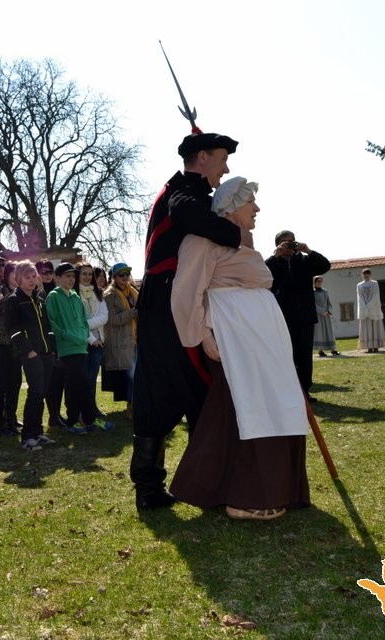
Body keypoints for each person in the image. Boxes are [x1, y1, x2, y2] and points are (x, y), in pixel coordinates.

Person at [168, 177, 309, 520]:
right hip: (233, 336)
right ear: (231, 207)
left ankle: (271, 489)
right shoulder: (202, 239)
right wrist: (204, 335)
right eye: (250, 202)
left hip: (260, 340)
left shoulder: (243, 241)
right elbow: (186, 291)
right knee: (246, 410)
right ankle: (246, 498)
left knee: (265, 407)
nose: (257, 208)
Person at [131, 131, 243, 510]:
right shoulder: (183, 193)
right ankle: (202, 484)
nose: (225, 168)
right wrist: (234, 232)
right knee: (198, 384)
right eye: (222, 158)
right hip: (171, 301)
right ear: (203, 157)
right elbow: (187, 214)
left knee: (162, 391)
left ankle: (154, 488)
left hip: (163, 300)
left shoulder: (183, 190)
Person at [45, 262, 115, 434]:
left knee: (77, 384)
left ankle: (79, 420)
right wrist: (69, 336)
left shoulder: (76, 297)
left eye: (72, 276)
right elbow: (52, 323)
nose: (71, 279)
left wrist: (83, 336)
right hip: (67, 347)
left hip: (81, 346)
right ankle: (83, 421)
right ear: (57, 278)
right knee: (81, 384)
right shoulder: (53, 296)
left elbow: (83, 323)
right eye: (67, 276)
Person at [265, 230, 331, 401]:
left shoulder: (304, 261)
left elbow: (325, 266)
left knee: (305, 357)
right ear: (278, 244)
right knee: (287, 356)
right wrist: (276, 256)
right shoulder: (274, 262)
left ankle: (304, 391)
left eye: (293, 241)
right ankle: (289, 392)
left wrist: (308, 250)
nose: (290, 245)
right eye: (286, 242)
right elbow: (263, 276)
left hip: (305, 317)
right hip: (284, 318)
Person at [5, 260, 57, 451]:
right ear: (18, 279)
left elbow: (47, 327)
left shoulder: (39, 299)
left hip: (46, 353)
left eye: (34, 276)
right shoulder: (14, 300)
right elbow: (13, 330)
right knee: (35, 392)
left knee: (42, 392)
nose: (32, 280)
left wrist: (52, 348)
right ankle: (28, 437)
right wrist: (29, 351)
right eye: (27, 277)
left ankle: (37, 432)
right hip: (31, 355)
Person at [0, 261, 23, 437]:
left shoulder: (22, 293)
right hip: (0, 344)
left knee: (15, 383)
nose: (17, 277)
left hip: (16, 344)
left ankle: (11, 418)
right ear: (8, 274)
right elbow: (2, 304)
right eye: (14, 273)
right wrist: (19, 294)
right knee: (0, 385)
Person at [103, 262, 138, 416]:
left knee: (136, 376)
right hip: (121, 343)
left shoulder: (133, 292)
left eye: (127, 274)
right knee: (132, 376)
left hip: (135, 340)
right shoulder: (109, 295)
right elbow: (113, 320)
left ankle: (134, 406)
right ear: (114, 277)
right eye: (121, 275)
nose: (125, 277)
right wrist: (134, 312)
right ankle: (132, 408)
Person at [77, 261, 108, 418]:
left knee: (92, 378)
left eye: (90, 274)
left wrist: (84, 324)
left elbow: (104, 317)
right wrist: (89, 337)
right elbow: (75, 320)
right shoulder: (73, 294)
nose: (87, 277)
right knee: (82, 379)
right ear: (78, 275)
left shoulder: (99, 292)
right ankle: (81, 411)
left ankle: (92, 409)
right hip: (81, 342)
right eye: (84, 273)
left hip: (98, 343)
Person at [356, 269, 385, 353]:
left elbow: (376, 296)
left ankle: (376, 346)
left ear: (370, 275)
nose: (366, 276)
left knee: (375, 327)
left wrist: (369, 305)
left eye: (367, 274)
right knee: (367, 328)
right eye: (364, 274)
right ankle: (369, 347)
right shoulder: (359, 285)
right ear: (362, 275)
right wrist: (364, 306)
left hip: (374, 308)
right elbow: (359, 297)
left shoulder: (374, 283)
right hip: (364, 309)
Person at [313, 276, 339, 357]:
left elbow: (329, 303)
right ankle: (320, 350)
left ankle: (333, 349)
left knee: (329, 332)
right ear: (314, 282)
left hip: (326, 315)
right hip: (318, 315)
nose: (319, 283)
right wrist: (321, 312)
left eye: (320, 281)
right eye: (318, 281)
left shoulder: (325, 291)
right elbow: (313, 304)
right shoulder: (312, 292)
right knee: (320, 332)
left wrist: (328, 311)